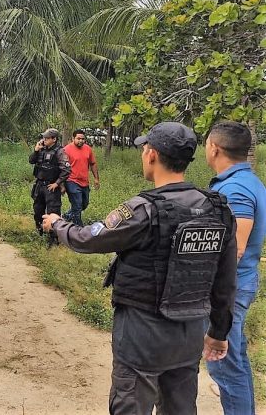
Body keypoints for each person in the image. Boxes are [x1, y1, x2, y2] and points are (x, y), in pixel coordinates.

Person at [42, 121, 237, 414]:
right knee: (181, 407)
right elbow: (225, 280)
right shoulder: (218, 209)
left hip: (141, 335)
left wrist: (57, 223)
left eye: (145, 148)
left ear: (152, 155)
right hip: (189, 335)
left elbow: (88, 239)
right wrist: (219, 332)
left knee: (131, 405)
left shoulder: (142, 210)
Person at [205, 121, 266, 414]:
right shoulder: (247, 181)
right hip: (241, 283)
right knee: (235, 361)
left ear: (214, 148)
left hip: (232, 288)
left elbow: (236, 250)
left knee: (224, 369)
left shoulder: (236, 189)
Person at [29, 128, 71, 243]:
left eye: (47, 138)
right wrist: (36, 150)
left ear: (54, 139)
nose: (44, 140)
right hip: (39, 185)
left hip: (50, 187)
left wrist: (57, 183)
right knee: (38, 210)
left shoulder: (59, 151)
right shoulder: (41, 149)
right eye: (44, 138)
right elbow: (31, 161)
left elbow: (66, 170)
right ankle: (40, 233)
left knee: (53, 213)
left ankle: (54, 239)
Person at [63, 129, 100, 226]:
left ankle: (67, 216)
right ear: (73, 138)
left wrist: (96, 179)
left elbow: (92, 163)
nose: (81, 141)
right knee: (77, 205)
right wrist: (62, 185)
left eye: (83, 139)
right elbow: (62, 167)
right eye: (78, 138)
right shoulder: (67, 150)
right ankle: (78, 228)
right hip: (71, 181)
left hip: (84, 181)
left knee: (84, 204)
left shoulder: (88, 149)